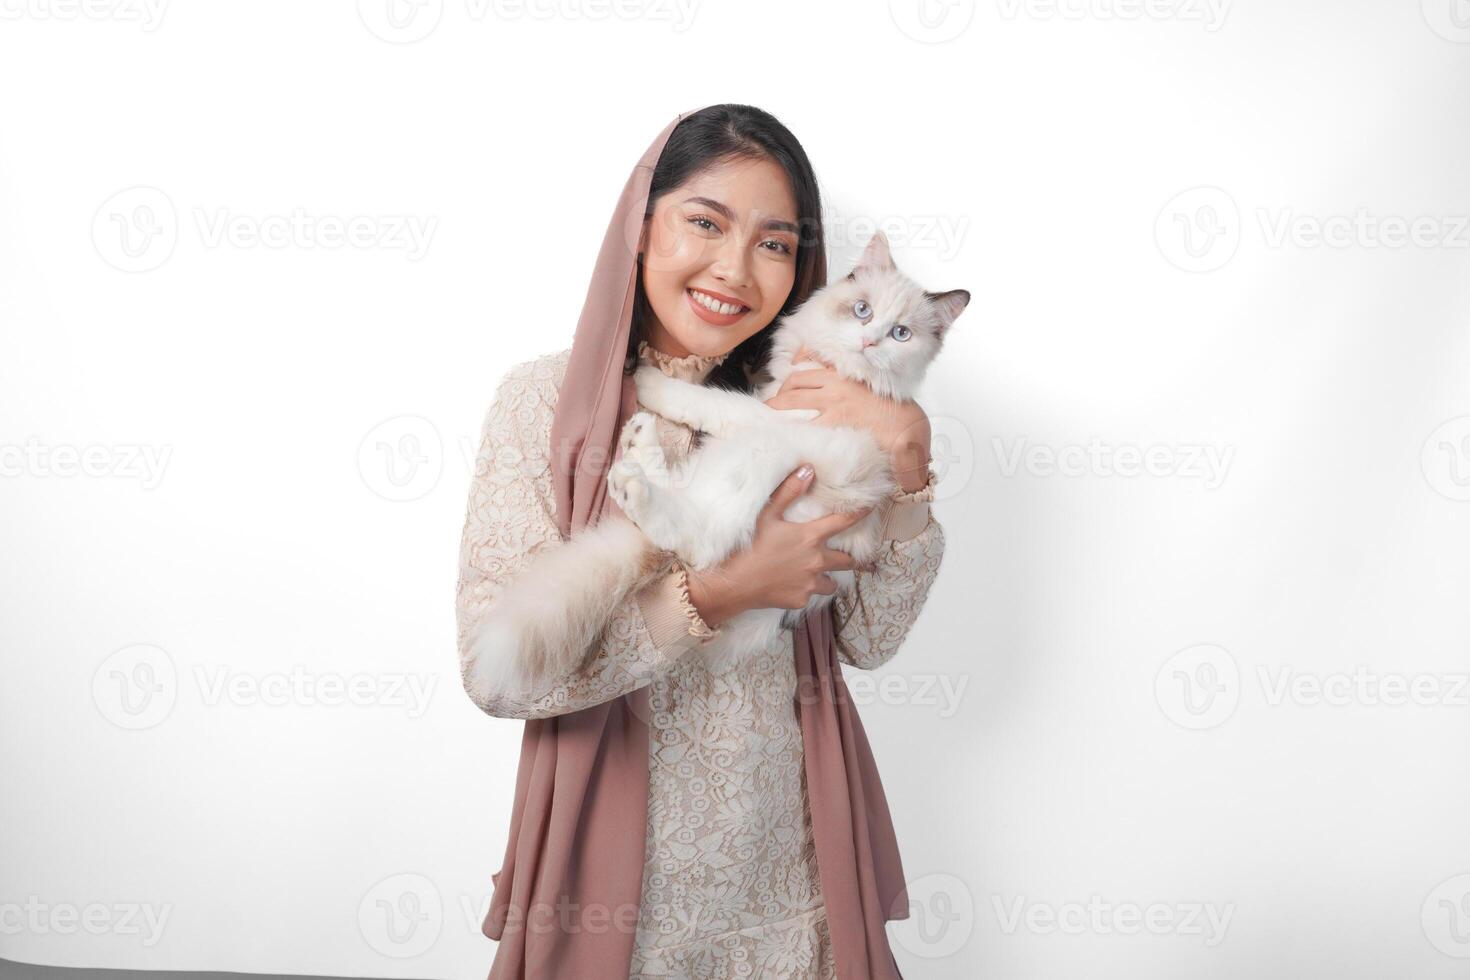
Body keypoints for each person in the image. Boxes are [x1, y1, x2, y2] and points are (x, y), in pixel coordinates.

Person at [456, 104, 945, 979]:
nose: (735, 268)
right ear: (640, 228)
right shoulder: (543, 405)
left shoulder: (808, 404)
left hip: (790, 874)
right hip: (623, 885)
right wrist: (721, 593)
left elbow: (868, 638)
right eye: (705, 223)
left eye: (774, 242)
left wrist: (908, 466)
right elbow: (498, 680)